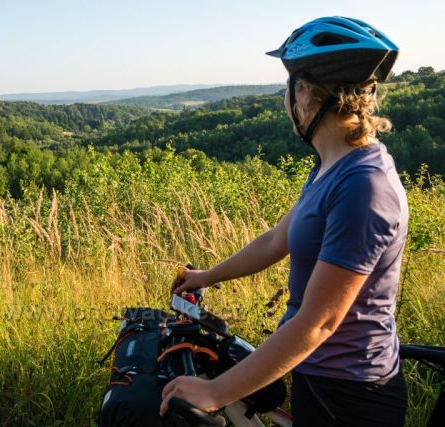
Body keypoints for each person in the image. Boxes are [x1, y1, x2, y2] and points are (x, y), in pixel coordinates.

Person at [159, 17, 408, 426]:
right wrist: (208, 276)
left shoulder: (365, 186)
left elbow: (321, 321)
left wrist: (215, 392)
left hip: (350, 394)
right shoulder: (332, 166)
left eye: (288, 89)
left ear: (308, 95)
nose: (286, 100)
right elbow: (278, 239)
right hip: (318, 375)